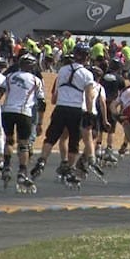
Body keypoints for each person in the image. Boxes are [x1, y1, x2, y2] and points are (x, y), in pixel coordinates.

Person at [30, 43, 96, 188]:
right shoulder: (87, 74)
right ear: (86, 57)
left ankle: (42, 160)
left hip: (60, 107)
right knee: (73, 141)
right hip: (76, 109)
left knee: (51, 137)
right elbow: (89, 95)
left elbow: (57, 91)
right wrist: (90, 113)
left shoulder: (63, 70)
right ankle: (70, 169)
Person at [0, 53, 45, 192]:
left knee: (9, 140)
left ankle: (7, 167)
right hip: (24, 112)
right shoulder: (36, 80)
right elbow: (42, 103)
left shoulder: (9, 76)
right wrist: (40, 123)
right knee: (23, 144)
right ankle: (22, 171)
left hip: (7, 111)